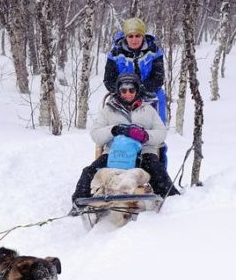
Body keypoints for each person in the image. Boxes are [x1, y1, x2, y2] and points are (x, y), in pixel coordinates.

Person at [71, 73, 180, 208]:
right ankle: (78, 205)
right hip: (114, 154)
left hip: (143, 153)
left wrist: (144, 135)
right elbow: (95, 134)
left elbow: (161, 133)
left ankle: (172, 201)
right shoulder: (108, 111)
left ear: (137, 90)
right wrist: (114, 130)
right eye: (123, 90)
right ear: (118, 91)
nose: (127, 94)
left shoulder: (148, 110)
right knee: (88, 171)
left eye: (131, 90)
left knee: (156, 169)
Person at [104, 17, 167, 122]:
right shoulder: (115, 53)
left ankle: (158, 131)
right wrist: (122, 91)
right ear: (126, 37)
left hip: (148, 91)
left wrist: (139, 89)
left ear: (143, 36)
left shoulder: (154, 51)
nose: (134, 40)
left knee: (160, 96)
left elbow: (158, 78)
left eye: (138, 36)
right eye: (130, 36)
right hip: (123, 92)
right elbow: (108, 80)